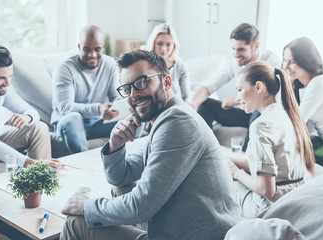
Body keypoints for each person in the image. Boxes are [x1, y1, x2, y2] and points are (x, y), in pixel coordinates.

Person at [60, 50, 242, 240]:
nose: (134, 94)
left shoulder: (178, 121)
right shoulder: (167, 119)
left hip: (200, 235)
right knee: (121, 190)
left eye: (141, 82)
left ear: (167, 82)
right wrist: (115, 145)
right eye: (127, 88)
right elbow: (120, 177)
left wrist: (88, 206)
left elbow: (141, 206)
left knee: (76, 223)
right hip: (180, 225)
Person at [227, 61, 315, 218]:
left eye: (240, 90)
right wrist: (229, 158)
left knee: (228, 184)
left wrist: (236, 173)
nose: (238, 98)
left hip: (268, 208)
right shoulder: (287, 114)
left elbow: (267, 189)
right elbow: (273, 166)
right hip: (294, 199)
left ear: (258, 87)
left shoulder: (260, 126)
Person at [190, 23, 281, 151]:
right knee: (205, 105)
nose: (235, 54)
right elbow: (209, 85)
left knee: (257, 110)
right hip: (245, 112)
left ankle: (245, 155)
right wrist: (192, 104)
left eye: (241, 49)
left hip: (262, 112)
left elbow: (270, 97)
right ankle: (206, 150)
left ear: (255, 46)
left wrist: (236, 100)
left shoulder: (271, 61)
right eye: (233, 49)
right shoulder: (234, 63)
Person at [0, 45, 52, 176]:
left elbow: (32, 112)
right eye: (1, 78)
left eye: (10, 76)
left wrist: (26, 117)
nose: (8, 83)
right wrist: (28, 162)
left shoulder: (2, 89)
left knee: (39, 128)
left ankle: (40, 182)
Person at [51, 25, 120, 154]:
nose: (92, 55)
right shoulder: (64, 68)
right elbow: (66, 108)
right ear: (79, 47)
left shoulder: (110, 64)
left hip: (96, 123)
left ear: (103, 47)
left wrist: (116, 108)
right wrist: (99, 108)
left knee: (134, 118)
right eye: (86, 49)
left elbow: (116, 97)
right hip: (69, 123)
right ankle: (86, 166)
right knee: (73, 118)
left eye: (97, 49)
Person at [283, 37, 323, 167]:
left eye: (291, 62)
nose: (285, 67)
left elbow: (295, 122)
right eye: (285, 61)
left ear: (306, 61)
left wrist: (288, 86)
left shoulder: (319, 82)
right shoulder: (303, 84)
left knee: (289, 139)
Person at [146, 23, 191, 102]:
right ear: (153, 43)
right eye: (160, 44)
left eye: (168, 44)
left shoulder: (180, 66)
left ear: (174, 45)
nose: (163, 48)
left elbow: (186, 98)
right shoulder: (145, 64)